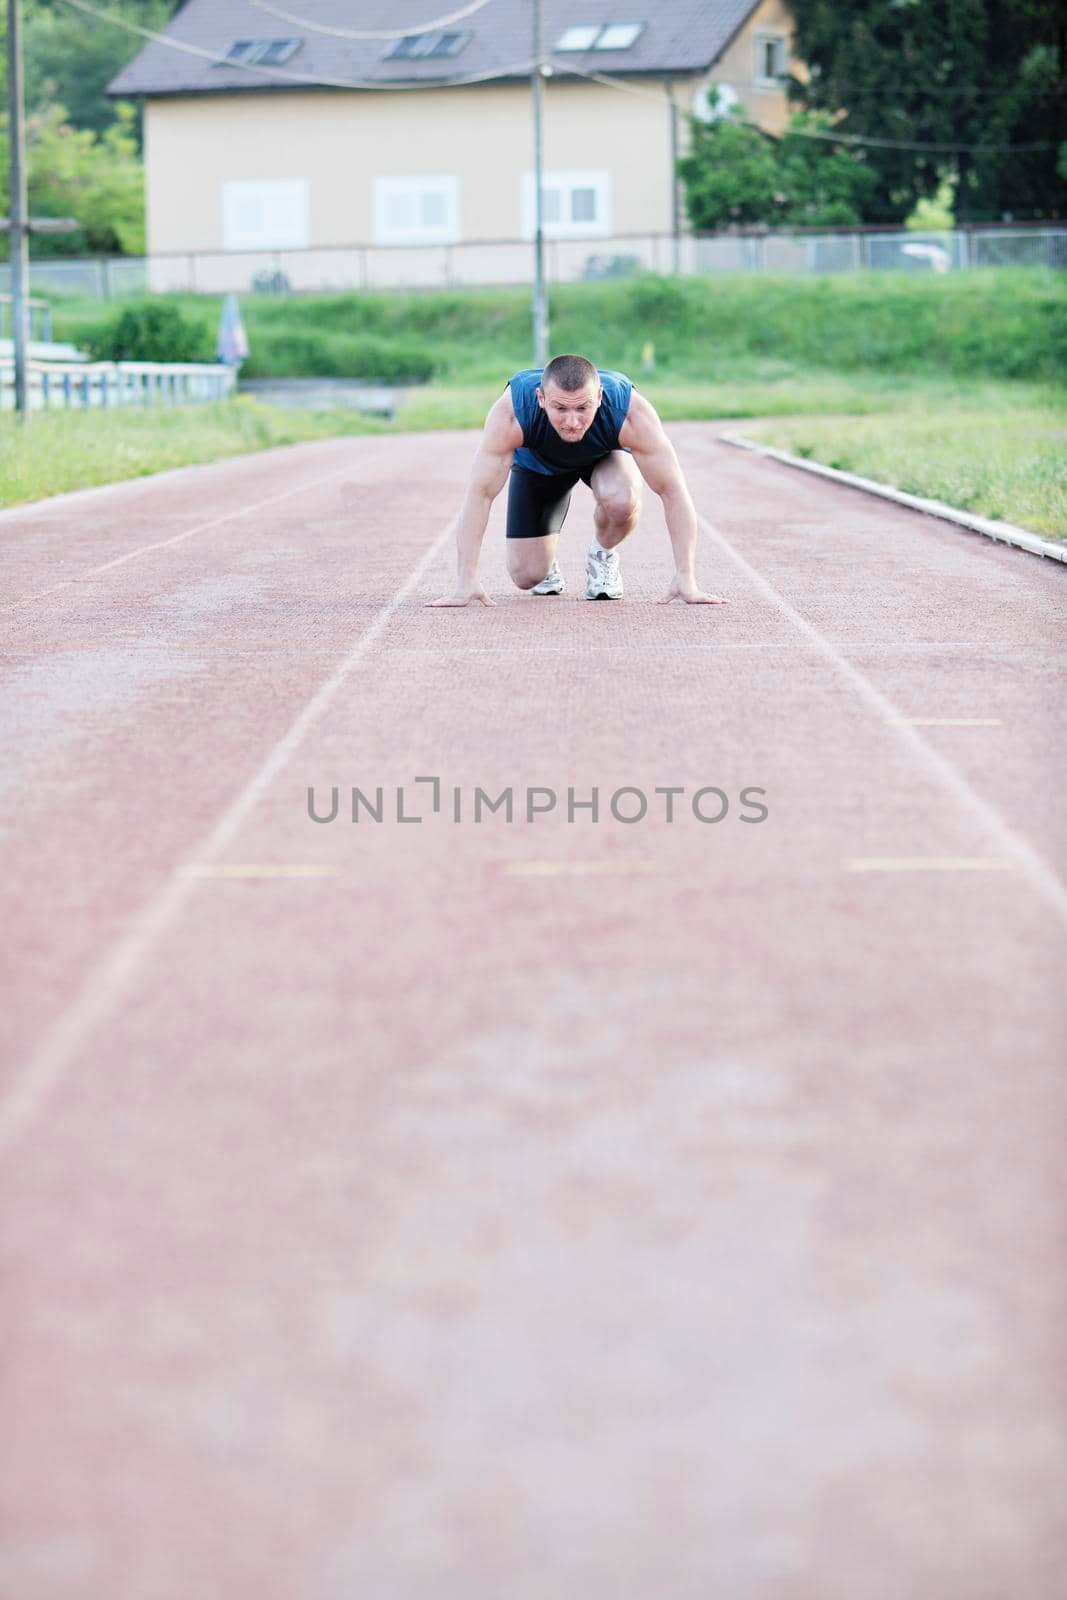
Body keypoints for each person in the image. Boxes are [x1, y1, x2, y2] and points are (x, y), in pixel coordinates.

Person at [425, 353, 730, 607]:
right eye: (560, 408)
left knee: (623, 500)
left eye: (583, 408)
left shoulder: (630, 413)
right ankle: (545, 561)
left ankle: (602, 552)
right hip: (538, 468)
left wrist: (686, 577)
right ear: (540, 398)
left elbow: (673, 491)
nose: (572, 422)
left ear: (599, 396)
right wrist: (466, 581)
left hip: (602, 460)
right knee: (526, 576)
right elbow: (479, 495)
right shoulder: (512, 414)